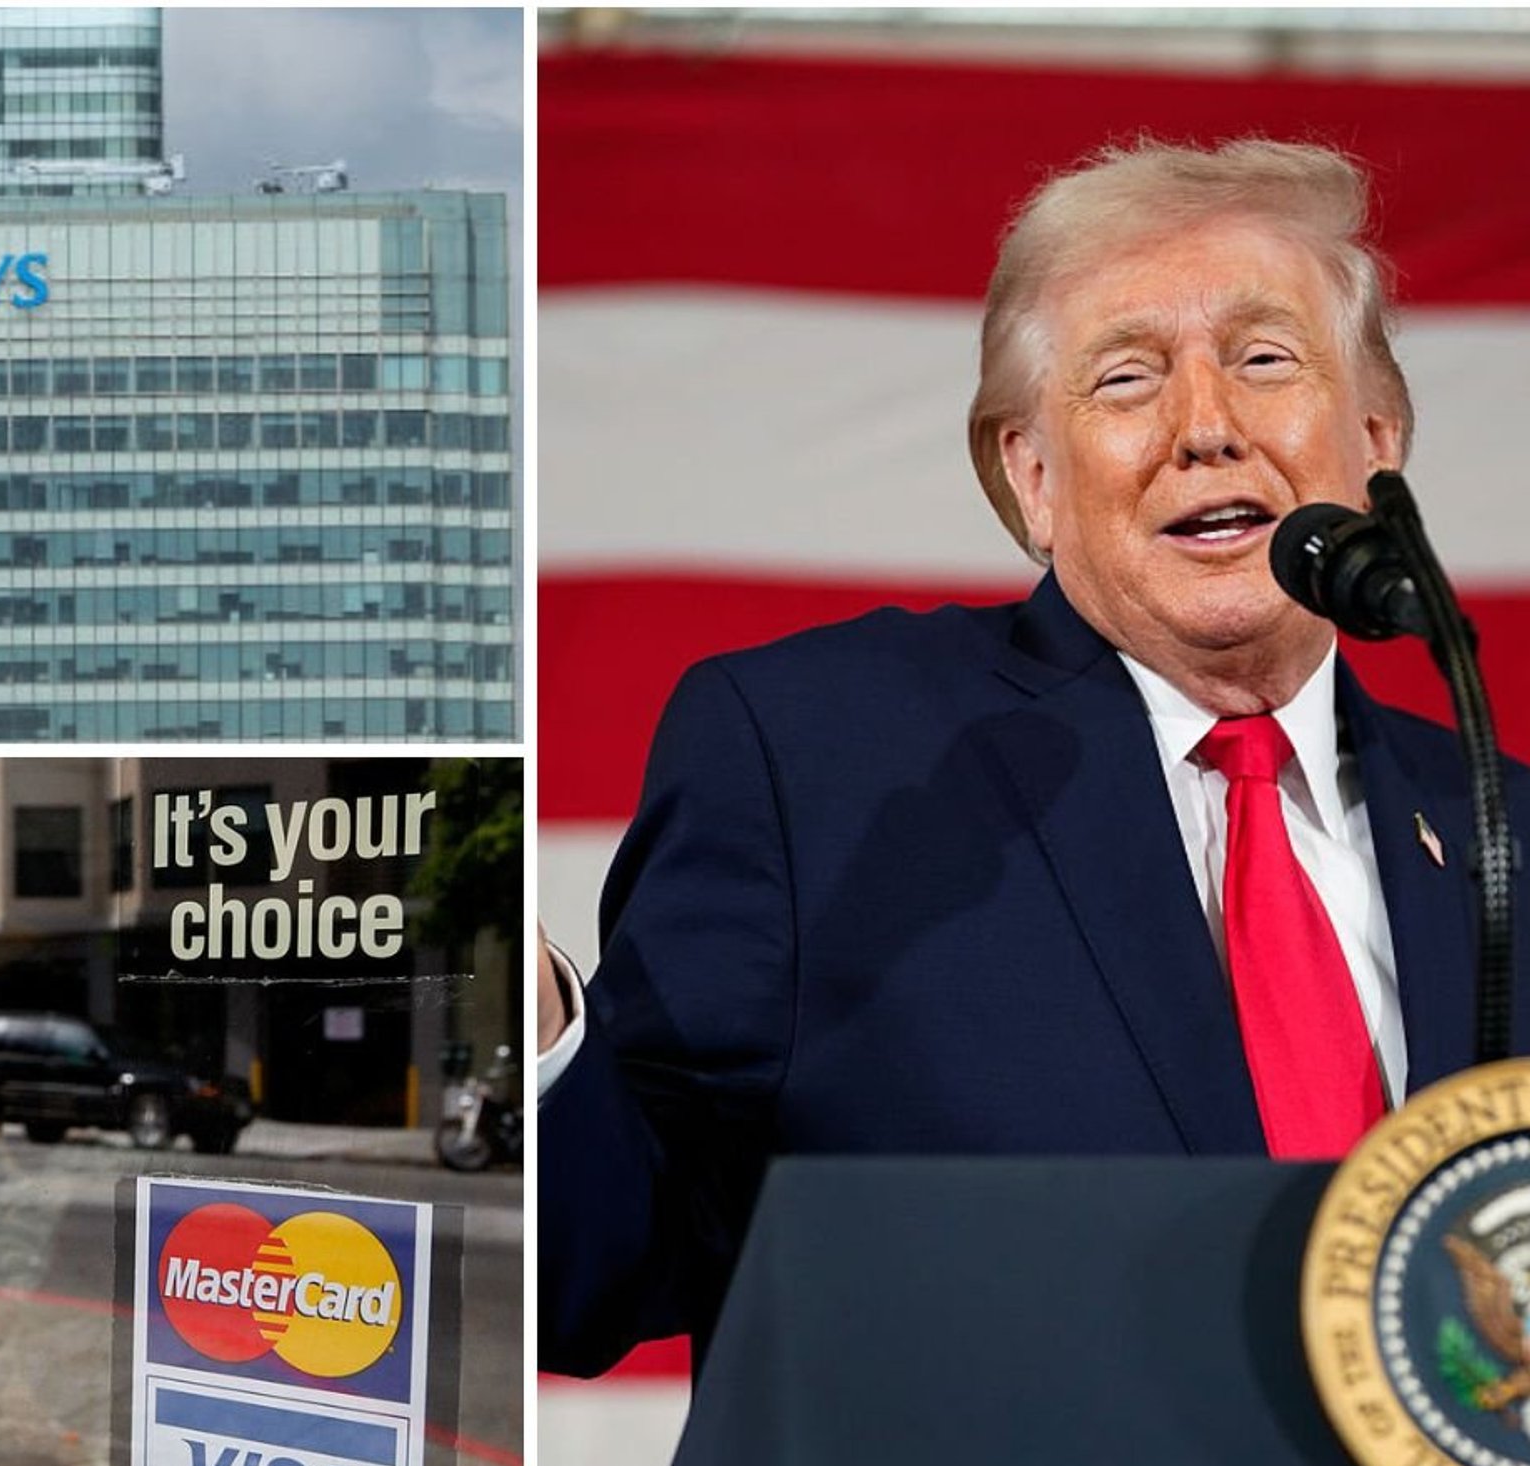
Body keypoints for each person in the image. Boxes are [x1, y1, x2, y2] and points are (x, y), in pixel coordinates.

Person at [537, 137, 1530, 1378]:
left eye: (1264, 359)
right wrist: (505, 1003)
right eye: (1123, 380)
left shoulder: (1499, 832)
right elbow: (583, 1269)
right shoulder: (823, 758)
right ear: (1032, 477)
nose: (1204, 426)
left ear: (1374, 439)